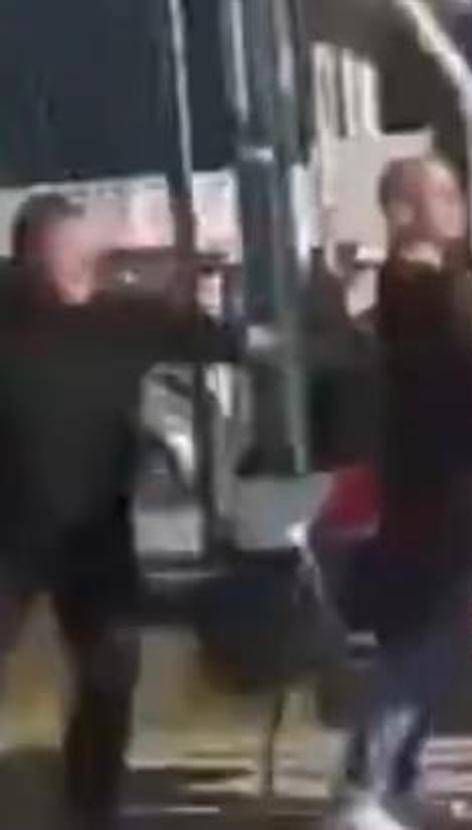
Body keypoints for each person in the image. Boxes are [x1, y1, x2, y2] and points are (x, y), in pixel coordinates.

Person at [0, 194, 245, 829]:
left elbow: (219, 344)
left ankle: (92, 806)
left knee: (110, 671)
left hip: (95, 533)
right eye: (57, 247)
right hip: (10, 531)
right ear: (27, 255)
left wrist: (202, 299)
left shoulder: (125, 319)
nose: (71, 259)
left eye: (78, 245)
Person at [325, 155, 472, 830]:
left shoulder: (432, 294)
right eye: (442, 194)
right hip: (436, 491)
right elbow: (453, 390)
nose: (456, 206)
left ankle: (398, 781)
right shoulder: (417, 292)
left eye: (457, 192)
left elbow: (465, 379)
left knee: (440, 645)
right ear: (401, 211)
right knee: (421, 646)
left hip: (445, 488)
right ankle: (365, 788)